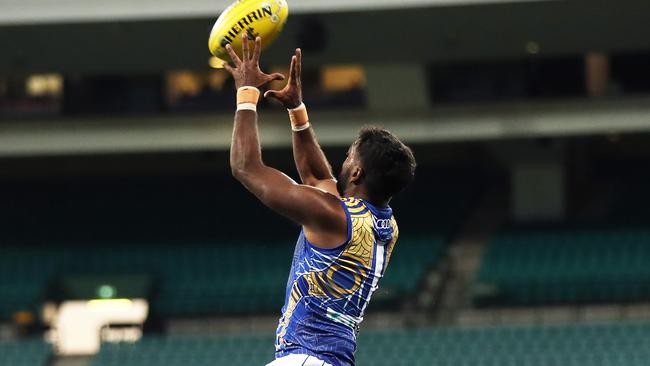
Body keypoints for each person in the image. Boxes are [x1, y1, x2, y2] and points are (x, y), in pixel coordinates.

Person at [223, 35, 416, 366]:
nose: (341, 164)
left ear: (355, 174)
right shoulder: (384, 225)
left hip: (304, 360)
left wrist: (246, 92)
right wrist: (297, 110)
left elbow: (246, 167)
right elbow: (317, 179)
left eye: (347, 159)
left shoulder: (333, 216)